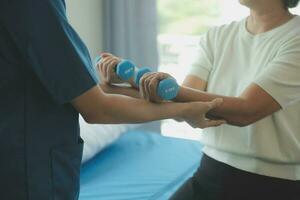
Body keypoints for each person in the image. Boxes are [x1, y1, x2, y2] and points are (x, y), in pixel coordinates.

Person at [0, 0, 226, 200]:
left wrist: (111, 89)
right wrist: (183, 111)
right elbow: (97, 109)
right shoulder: (33, 6)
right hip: (28, 172)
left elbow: (75, 92)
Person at [100, 0, 300, 199]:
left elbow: (246, 112)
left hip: (274, 183)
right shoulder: (218, 36)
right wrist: (119, 87)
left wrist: (163, 85)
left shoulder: (295, 37)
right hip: (211, 170)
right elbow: (181, 108)